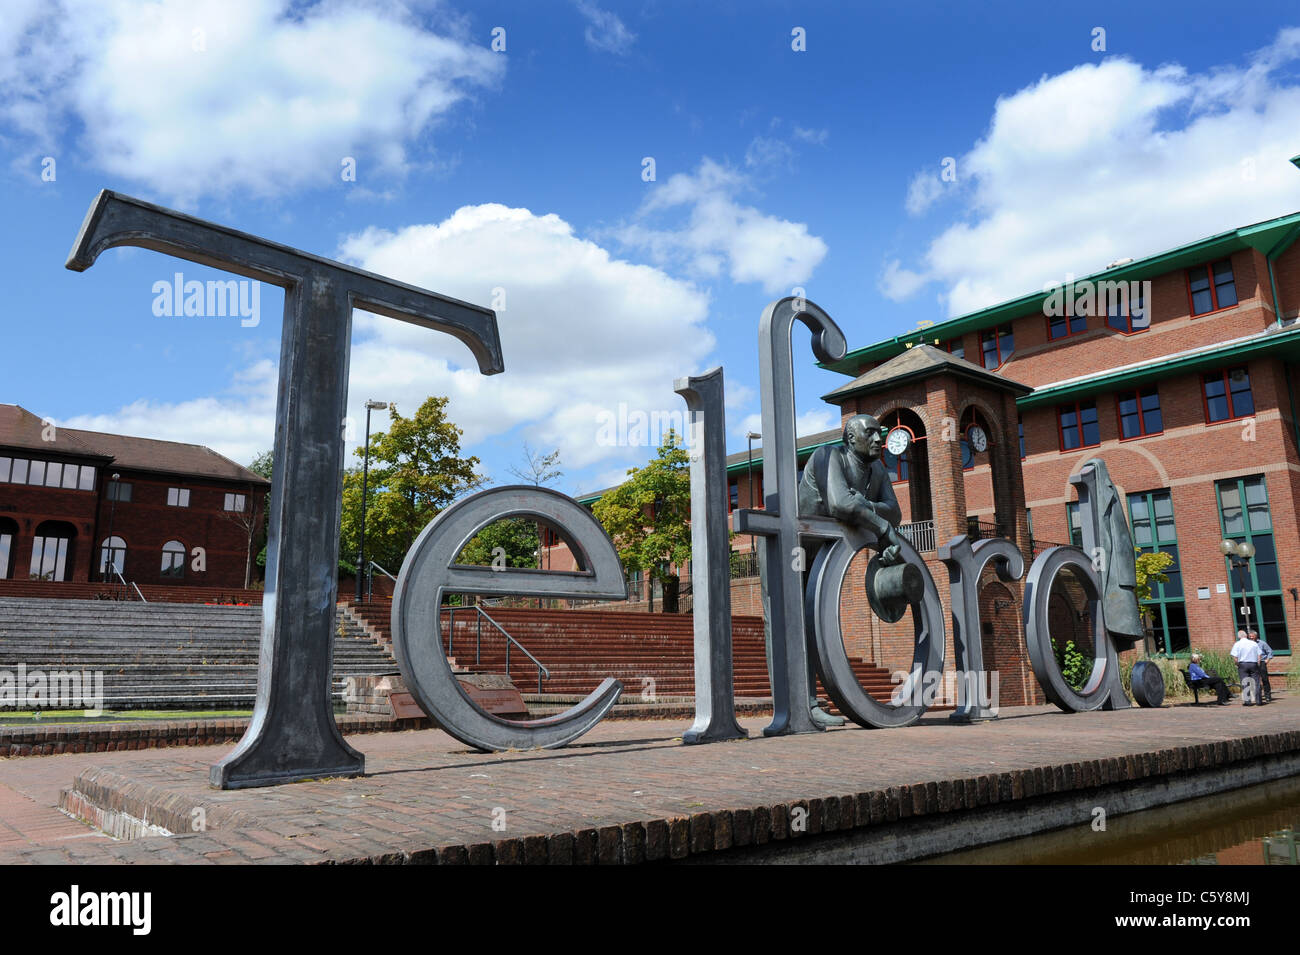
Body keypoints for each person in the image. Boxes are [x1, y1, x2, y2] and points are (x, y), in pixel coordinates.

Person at [1230, 629, 1262, 705]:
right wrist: (1258, 663)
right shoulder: (1253, 643)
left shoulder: (1237, 644)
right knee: (1256, 682)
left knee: (1245, 682)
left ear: (1238, 637)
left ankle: (1248, 701)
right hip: (1253, 663)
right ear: (1246, 636)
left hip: (1243, 664)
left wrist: (1237, 664)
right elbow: (1259, 654)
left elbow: (1234, 656)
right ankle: (1258, 701)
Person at [1249, 631, 1274, 704]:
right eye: (1250, 636)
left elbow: (1270, 651)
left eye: (1252, 636)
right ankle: (1255, 696)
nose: (1251, 638)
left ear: (1256, 636)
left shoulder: (1262, 643)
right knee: (1253, 680)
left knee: (1264, 679)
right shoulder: (1248, 644)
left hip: (1262, 662)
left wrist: (1267, 660)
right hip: (1252, 663)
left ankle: (1267, 696)